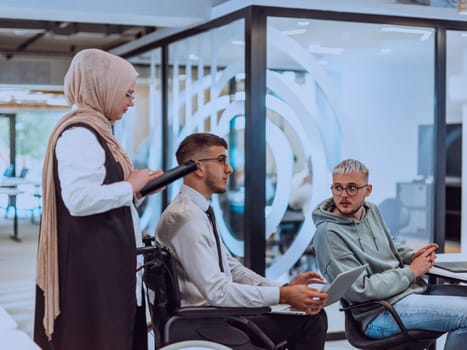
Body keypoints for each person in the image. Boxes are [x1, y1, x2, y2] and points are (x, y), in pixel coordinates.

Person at [33, 48, 164, 350]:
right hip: (94, 267)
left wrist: (138, 190)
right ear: (101, 88)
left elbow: (102, 196)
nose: (131, 102)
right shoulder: (80, 134)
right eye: (127, 94)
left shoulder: (98, 131)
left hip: (106, 262)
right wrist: (129, 187)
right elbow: (78, 199)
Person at [156, 132, 328, 350]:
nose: (229, 169)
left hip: (220, 316)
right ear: (198, 167)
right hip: (204, 323)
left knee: (313, 319)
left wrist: (283, 288)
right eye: (221, 161)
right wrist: (283, 296)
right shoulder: (185, 218)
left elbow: (232, 268)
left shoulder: (198, 211)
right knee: (310, 323)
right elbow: (218, 292)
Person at [312, 158, 467, 350]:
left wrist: (412, 256)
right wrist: (411, 272)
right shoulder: (328, 234)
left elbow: (390, 246)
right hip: (380, 313)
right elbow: (361, 290)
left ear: (367, 190)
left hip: (407, 293)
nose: (343, 195)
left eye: (352, 188)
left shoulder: (371, 211)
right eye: (337, 187)